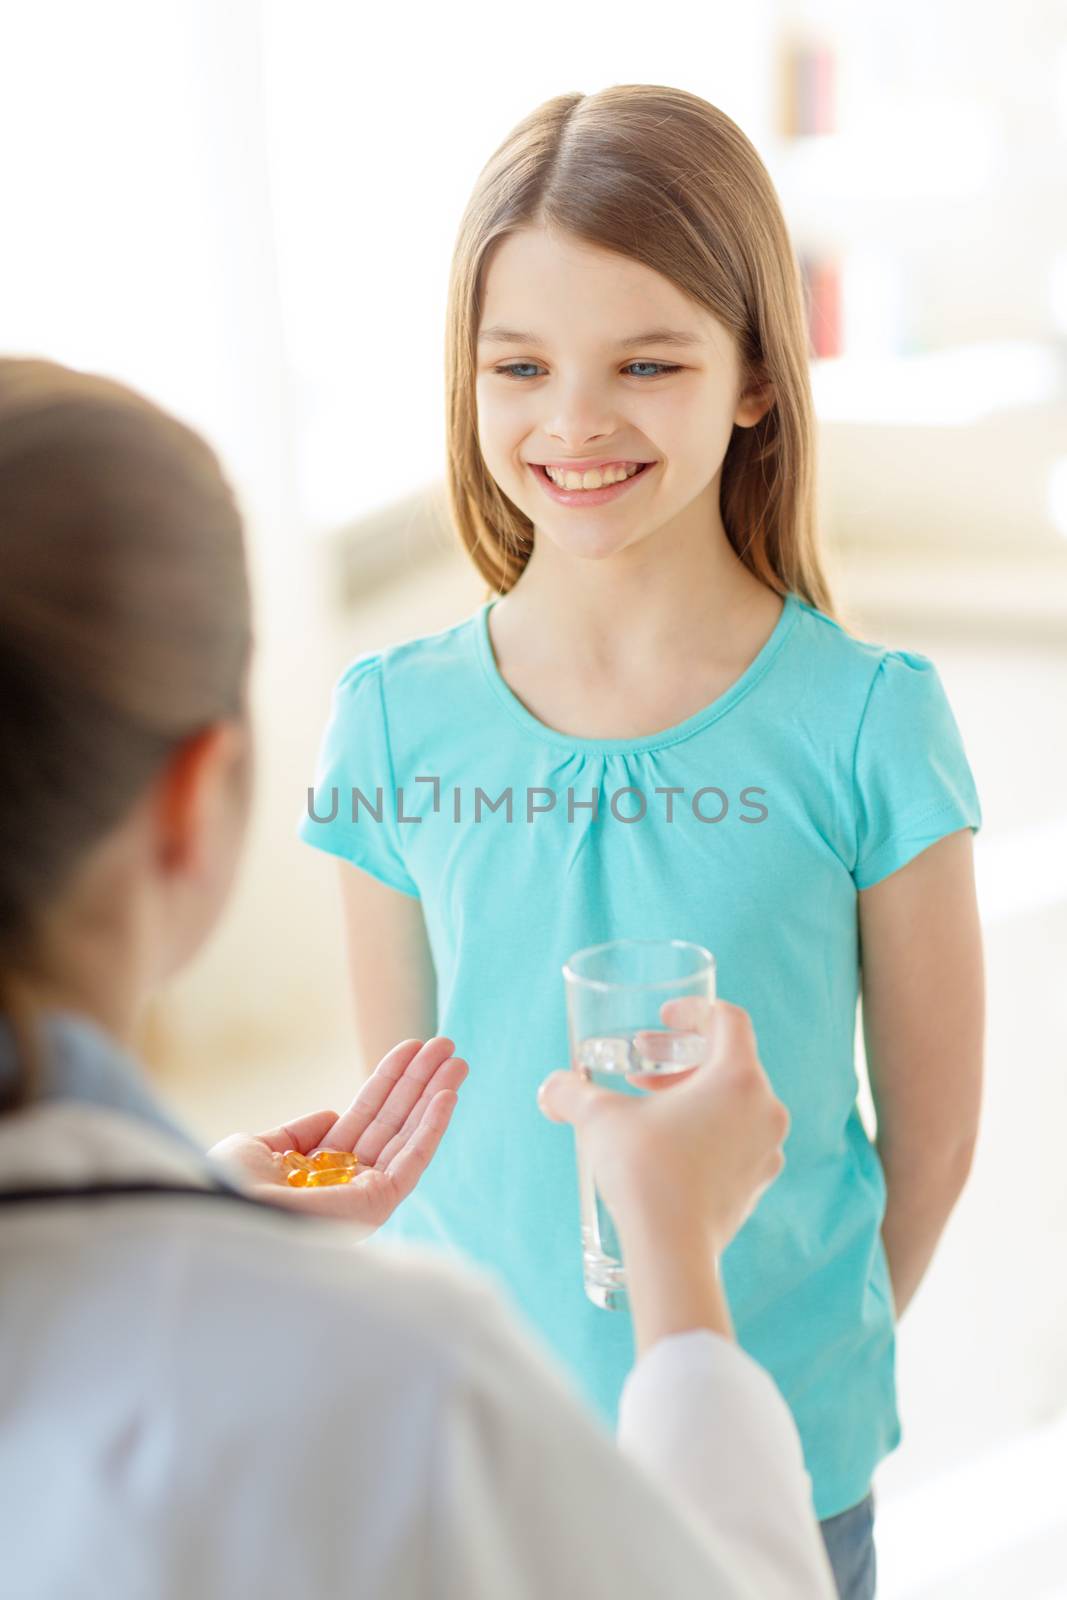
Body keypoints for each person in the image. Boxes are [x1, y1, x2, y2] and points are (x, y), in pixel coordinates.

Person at [298, 85, 986, 1599]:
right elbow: (400, 1137)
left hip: (778, 1459)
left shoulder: (867, 723)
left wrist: (787, 1375)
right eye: (520, 366)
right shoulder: (393, 728)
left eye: (647, 363)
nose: (573, 421)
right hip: (491, 1454)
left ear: (752, 375)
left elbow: (928, 1135)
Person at [0, 355, 836, 1598]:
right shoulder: (408, 1388)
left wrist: (207, 1226)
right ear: (191, 802)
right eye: (519, 364)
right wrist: (671, 1248)